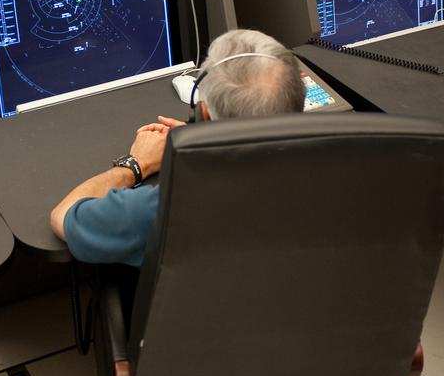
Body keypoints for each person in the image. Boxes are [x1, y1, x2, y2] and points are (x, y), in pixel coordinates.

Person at [49, 28, 306, 268]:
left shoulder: (161, 209)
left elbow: (64, 216)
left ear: (203, 114)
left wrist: (136, 165)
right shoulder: (337, 175)